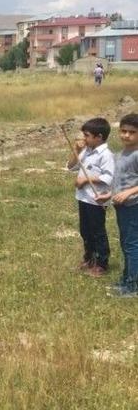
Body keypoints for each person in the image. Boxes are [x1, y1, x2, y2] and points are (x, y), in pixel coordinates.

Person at [67, 118, 115, 277]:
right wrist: (76, 150)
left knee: (97, 231)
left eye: (86, 135)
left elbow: (109, 177)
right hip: (83, 198)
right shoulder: (86, 150)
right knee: (85, 230)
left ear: (99, 137)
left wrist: (86, 180)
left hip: (96, 199)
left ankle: (102, 263)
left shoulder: (106, 155)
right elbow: (71, 166)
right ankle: (89, 258)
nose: (84, 138)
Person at [97, 113, 138, 297]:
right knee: (126, 243)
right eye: (123, 131)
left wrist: (129, 193)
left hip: (133, 206)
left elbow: (129, 187)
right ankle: (126, 279)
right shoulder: (120, 154)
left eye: (132, 132)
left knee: (132, 245)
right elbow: (120, 182)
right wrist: (109, 195)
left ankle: (132, 286)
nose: (126, 135)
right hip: (122, 206)